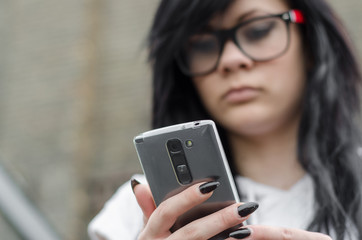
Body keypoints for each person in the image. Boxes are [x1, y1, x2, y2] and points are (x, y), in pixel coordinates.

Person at [88, 0, 362, 239]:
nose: (230, 60)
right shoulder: (138, 209)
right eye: (202, 44)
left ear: (310, 42)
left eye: (258, 30)